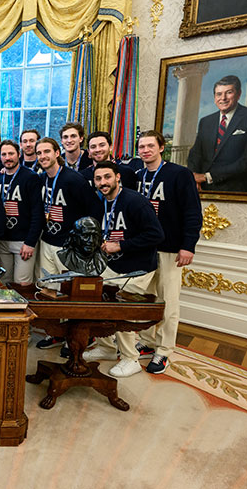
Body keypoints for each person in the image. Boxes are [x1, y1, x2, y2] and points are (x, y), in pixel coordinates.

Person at [82, 161, 165, 378]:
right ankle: (107, 349)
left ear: (118, 177)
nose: (103, 182)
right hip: (112, 265)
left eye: (107, 177)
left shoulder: (135, 201)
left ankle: (131, 359)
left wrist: (120, 245)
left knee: (121, 310)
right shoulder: (102, 202)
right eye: (98, 179)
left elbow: (156, 235)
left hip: (137, 267)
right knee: (97, 301)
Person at [135, 130, 202, 374]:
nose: (145, 150)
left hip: (171, 249)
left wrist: (188, 246)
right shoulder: (138, 175)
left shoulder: (179, 174)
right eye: (141, 147)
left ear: (161, 147)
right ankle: (147, 340)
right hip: (144, 247)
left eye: (150, 146)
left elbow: (193, 212)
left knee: (168, 301)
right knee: (145, 298)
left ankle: (163, 350)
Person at [35, 137, 101, 349]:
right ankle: (55, 332)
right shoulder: (41, 179)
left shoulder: (74, 180)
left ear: (57, 153)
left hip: (69, 246)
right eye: (39, 153)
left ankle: (75, 338)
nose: (43, 156)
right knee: (48, 287)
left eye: (47, 151)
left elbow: (94, 210)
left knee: (71, 292)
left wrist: (86, 242)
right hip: (47, 240)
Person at [0, 140, 44, 285]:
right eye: (4, 154)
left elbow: (37, 212)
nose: (8, 157)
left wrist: (30, 242)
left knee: (22, 283)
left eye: (11, 153)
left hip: (23, 241)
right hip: (3, 240)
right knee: (3, 282)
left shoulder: (31, 177)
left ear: (19, 154)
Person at [187, 75, 247, 192]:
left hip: (237, 190)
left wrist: (207, 177)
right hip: (203, 188)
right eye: (219, 94)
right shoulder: (206, 121)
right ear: (214, 97)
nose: (223, 98)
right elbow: (196, 153)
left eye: (229, 92)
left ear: (238, 94)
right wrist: (193, 176)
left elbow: (246, 162)